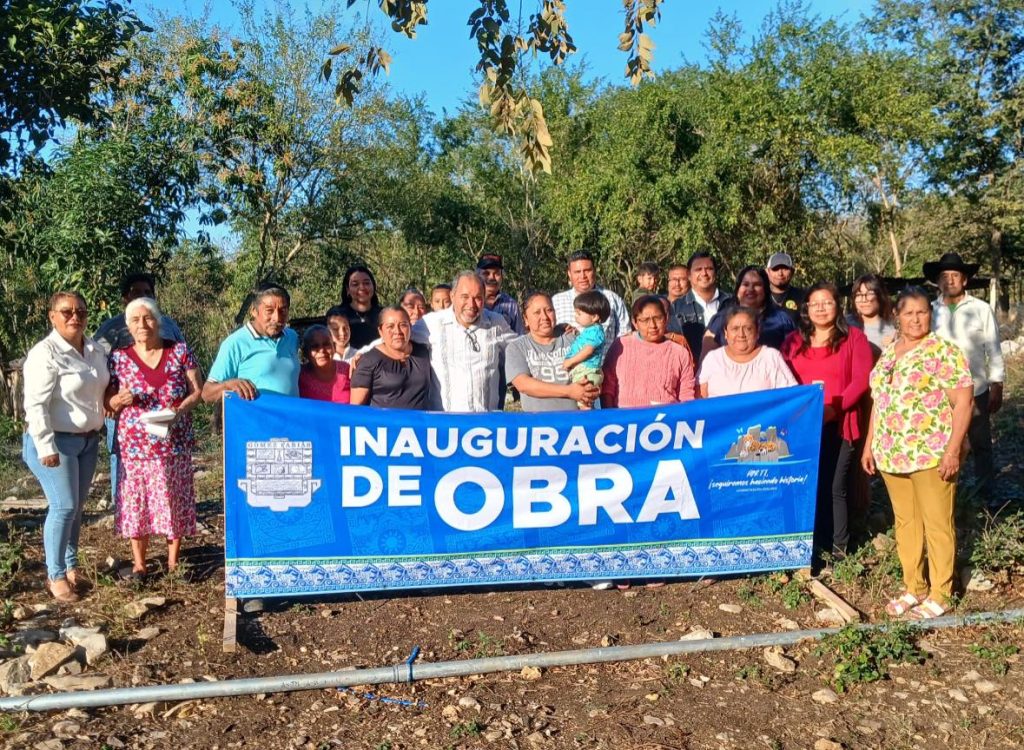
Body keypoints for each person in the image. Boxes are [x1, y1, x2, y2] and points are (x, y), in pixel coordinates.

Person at [862, 287, 973, 619]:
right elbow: (879, 403)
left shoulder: (943, 351)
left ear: (931, 313)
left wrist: (953, 449)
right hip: (892, 454)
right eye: (908, 312)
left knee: (937, 523)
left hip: (931, 453)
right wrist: (869, 443)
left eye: (922, 312)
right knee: (906, 523)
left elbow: (964, 403)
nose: (915, 318)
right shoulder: (889, 352)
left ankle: (941, 591)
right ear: (897, 314)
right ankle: (915, 587)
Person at [106, 297, 204, 580]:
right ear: (128, 326)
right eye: (135, 320)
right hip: (135, 445)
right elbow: (107, 400)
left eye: (148, 318)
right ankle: (139, 564)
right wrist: (117, 399)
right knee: (137, 502)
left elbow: (197, 390)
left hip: (173, 441)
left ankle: (174, 562)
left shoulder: (180, 351)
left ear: (158, 321)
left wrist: (178, 410)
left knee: (173, 499)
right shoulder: (118, 358)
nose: (142, 324)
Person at [22, 292, 109, 603]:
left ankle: (72, 567)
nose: (75, 317)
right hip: (54, 441)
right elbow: (35, 404)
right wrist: (45, 445)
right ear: (52, 316)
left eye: (81, 311)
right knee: (64, 507)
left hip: (87, 440)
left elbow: (99, 391)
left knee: (77, 509)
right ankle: (55, 574)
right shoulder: (44, 354)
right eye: (67, 311)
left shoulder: (95, 350)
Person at [781, 283, 873, 562]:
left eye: (828, 302)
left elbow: (861, 380)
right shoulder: (793, 342)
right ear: (806, 308)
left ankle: (840, 549)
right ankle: (813, 543)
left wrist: (835, 409)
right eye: (815, 303)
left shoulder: (854, 338)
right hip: (802, 427)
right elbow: (783, 381)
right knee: (809, 484)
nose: (821, 308)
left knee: (836, 485)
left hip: (840, 421)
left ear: (838, 306)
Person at [94, 271, 186, 508]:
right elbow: (96, 365)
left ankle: (165, 514)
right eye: (136, 292)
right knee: (123, 461)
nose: (142, 296)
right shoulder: (112, 329)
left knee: (168, 463)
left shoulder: (168, 325)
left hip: (164, 412)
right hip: (126, 413)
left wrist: (182, 402)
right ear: (125, 298)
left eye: (147, 292)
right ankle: (125, 512)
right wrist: (111, 399)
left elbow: (185, 362)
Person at [925, 252, 1004, 495]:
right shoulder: (929, 311)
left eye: (955, 275)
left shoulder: (980, 309)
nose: (949, 280)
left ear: (965, 280)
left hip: (975, 388)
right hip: (938, 392)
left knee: (980, 443)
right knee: (942, 444)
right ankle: (949, 495)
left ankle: (986, 494)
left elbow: (993, 347)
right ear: (938, 282)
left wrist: (997, 383)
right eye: (944, 276)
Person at [412, 271, 516, 412]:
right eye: (465, 297)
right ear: (452, 296)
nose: (471, 304)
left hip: (486, 425)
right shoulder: (431, 323)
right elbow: (392, 341)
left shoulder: (496, 323)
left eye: (478, 298)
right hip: (445, 424)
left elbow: (521, 347)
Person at [202, 284, 300, 403]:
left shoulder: (292, 337)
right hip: (254, 420)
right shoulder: (236, 342)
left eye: (283, 311)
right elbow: (207, 394)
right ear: (254, 311)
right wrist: (229, 385)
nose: (277, 318)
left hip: (289, 419)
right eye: (269, 311)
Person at [505, 292, 600, 411]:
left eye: (549, 310)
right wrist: (569, 391)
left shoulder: (573, 338)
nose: (544, 317)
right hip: (539, 426)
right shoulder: (516, 348)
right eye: (537, 312)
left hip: (577, 423)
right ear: (526, 319)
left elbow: (591, 367)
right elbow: (523, 385)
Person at [602, 295, 696, 408]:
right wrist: (610, 418)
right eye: (645, 320)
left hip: (667, 421)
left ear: (666, 318)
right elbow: (607, 388)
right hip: (626, 421)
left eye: (658, 318)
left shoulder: (679, 353)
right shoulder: (620, 346)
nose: (652, 325)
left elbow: (686, 395)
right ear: (635, 323)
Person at [698, 307, 797, 398]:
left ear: (757, 332)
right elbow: (699, 399)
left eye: (748, 329)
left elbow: (791, 397)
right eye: (735, 329)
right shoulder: (713, 359)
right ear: (726, 333)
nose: (741, 334)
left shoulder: (771, 357)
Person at [703, 266, 797, 356]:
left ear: (765, 290)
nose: (750, 289)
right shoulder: (720, 319)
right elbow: (706, 361)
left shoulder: (782, 320)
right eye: (745, 284)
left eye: (757, 285)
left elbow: (792, 356)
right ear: (737, 289)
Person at [350, 307, 431, 409]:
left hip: (419, 424)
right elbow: (355, 409)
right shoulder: (368, 361)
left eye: (403, 325)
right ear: (380, 331)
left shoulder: (424, 352)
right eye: (390, 326)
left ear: (410, 327)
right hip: (382, 424)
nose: (397, 331)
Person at [552, 250, 631, 341]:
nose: (582, 276)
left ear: (594, 271)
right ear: (569, 274)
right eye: (577, 272)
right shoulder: (557, 302)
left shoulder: (612, 299)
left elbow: (625, 337)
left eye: (587, 271)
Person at [668, 251, 731, 361]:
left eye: (709, 269)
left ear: (716, 272)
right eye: (698, 269)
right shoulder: (676, 308)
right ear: (689, 275)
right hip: (693, 372)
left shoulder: (732, 303)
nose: (704, 273)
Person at [562, 291, 610, 410]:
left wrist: (570, 361)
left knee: (584, 401)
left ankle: (587, 425)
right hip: (584, 370)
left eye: (579, 313)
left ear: (594, 317)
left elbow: (588, 351)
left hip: (587, 371)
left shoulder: (595, 331)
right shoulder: (590, 331)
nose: (575, 316)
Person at [846, 274, 896, 357]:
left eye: (869, 294)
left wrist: (893, 348)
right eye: (858, 295)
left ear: (880, 296)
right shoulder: (844, 324)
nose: (864, 300)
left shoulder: (890, 331)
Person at [298, 324, 351, 403]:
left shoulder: (348, 370)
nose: (322, 350)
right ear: (305, 352)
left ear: (334, 347)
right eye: (315, 346)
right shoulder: (298, 376)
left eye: (326, 344)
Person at [337, 265, 383, 349]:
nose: (362, 287)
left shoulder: (384, 314)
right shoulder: (338, 314)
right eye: (355, 284)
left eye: (366, 283)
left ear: (373, 286)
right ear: (347, 289)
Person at [477, 254, 524, 334]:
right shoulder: (471, 303)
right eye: (486, 273)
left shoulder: (511, 305)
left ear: (502, 277)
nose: (491, 278)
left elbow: (519, 336)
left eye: (497, 274)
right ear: (477, 276)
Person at [766, 252, 805, 324]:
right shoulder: (759, 297)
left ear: (792, 271)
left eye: (785, 269)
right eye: (775, 269)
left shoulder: (803, 297)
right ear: (767, 271)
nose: (780, 273)